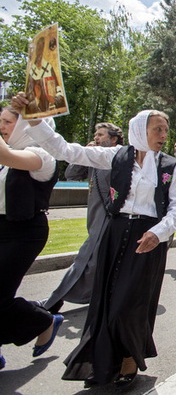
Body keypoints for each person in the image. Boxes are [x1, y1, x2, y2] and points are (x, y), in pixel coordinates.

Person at [15, 94, 176, 389]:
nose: (163, 135)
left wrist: (158, 233)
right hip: (115, 232)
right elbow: (66, 150)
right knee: (106, 302)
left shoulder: (171, 165)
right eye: (157, 129)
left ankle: (130, 359)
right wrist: (34, 120)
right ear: (139, 130)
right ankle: (104, 362)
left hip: (148, 238)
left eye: (165, 130)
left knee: (130, 303)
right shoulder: (115, 156)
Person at [0, 106, 62, 370]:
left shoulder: (41, 155)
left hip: (24, 232)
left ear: (26, 126)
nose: (1, 126)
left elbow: (11, 156)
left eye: (7, 122)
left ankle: (43, 320)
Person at [40, 122, 124, 314]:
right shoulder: (92, 157)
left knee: (86, 259)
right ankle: (102, 295)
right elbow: (71, 174)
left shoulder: (119, 158)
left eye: (101, 135)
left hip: (108, 216)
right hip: (94, 217)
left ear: (113, 139)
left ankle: (54, 301)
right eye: (96, 134)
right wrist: (84, 155)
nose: (96, 138)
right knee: (98, 259)